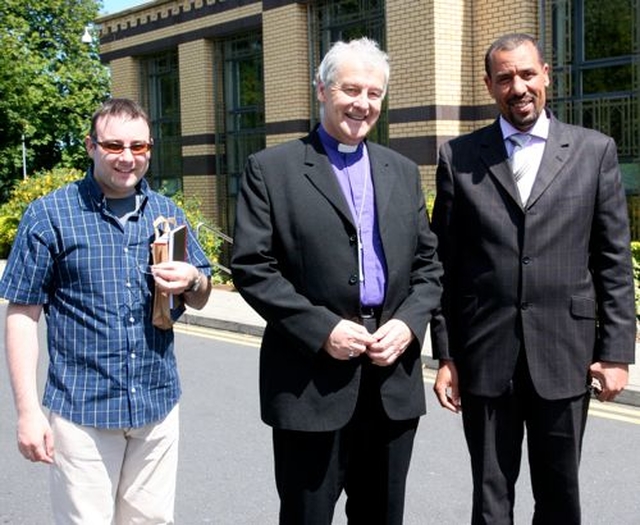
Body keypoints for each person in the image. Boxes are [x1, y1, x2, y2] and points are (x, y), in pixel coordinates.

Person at [231, 37, 442, 524]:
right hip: (310, 383)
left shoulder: (403, 171)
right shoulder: (271, 169)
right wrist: (321, 329)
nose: (362, 103)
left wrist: (409, 325)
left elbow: (429, 267)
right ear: (322, 91)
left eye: (374, 93)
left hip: (391, 379)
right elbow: (252, 266)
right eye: (351, 89)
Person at [430, 33, 636, 524]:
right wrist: (446, 355)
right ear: (489, 85)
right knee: (491, 498)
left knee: (560, 495)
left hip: (566, 352)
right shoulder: (458, 157)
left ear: (546, 74)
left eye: (526, 74)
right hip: (484, 356)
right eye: (505, 78)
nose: (518, 87)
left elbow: (611, 260)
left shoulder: (594, 151)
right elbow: (444, 265)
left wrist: (616, 352)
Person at [1, 98, 212, 524]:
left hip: (156, 407)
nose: (127, 157)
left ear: (150, 148)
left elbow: (202, 291)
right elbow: (22, 315)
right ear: (91, 146)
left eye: (139, 146)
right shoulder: (49, 216)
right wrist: (27, 412)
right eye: (114, 145)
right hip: (83, 412)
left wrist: (192, 278)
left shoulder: (166, 213)